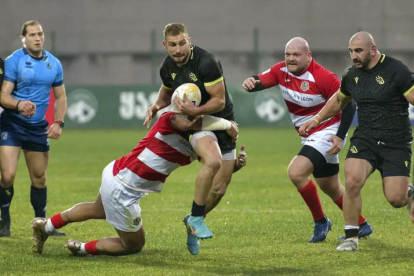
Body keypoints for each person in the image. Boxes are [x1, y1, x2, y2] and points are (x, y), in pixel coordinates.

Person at [31, 111, 247, 256]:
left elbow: (213, 168)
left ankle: (46, 225)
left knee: (98, 209)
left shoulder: (196, 141)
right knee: (134, 245)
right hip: (124, 187)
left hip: (117, 171)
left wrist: (234, 165)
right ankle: (82, 248)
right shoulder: (169, 118)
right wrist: (227, 124)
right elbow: (189, 122)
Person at [242, 37, 372, 243]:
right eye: (288, 54)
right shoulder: (280, 70)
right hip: (309, 134)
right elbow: (259, 81)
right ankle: (362, 224)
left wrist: (339, 137)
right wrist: (251, 82)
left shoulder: (323, 77)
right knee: (330, 186)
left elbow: (349, 105)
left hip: (328, 130)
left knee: (296, 172)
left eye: (296, 55)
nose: (291, 59)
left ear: (308, 56)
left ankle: (321, 221)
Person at [299, 32, 414, 251]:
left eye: (358, 51)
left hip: (395, 142)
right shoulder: (351, 75)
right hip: (365, 138)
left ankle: (409, 192)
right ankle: (352, 236)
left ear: (373, 49)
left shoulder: (395, 70)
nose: (354, 56)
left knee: (395, 199)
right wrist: (316, 119)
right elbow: (339, 100)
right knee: (351, 181)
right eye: (351, 51)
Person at [144, 23, 237, 254]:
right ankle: (197, 218)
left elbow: (219, 101)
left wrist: (197, 110)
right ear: (165, 45)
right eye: (173, 45)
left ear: (189, 40)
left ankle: (192, 220)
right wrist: (156, 106)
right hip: (196, 123)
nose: (178, 50)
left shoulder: (207, 63)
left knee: (220, 188)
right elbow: (167, 91)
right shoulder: (167, 66)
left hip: (221, 120)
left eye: (182, 43)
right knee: (212, 162)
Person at [0, 21, 67, 237]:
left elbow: (61, 96)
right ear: (24, 38)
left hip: (38, 128)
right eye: (31, 35)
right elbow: (3, 95)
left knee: (39, 177)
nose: (36, 38)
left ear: (43, 36)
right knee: (8, 175)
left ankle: (43, 225)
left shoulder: (54, 64)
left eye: (39, 34)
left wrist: (58, 121)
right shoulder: (13, 61)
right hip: (12, 124)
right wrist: (19, 105)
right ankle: (4, 220)